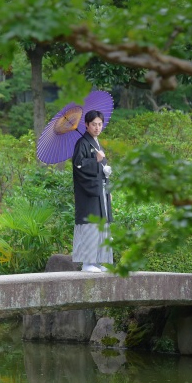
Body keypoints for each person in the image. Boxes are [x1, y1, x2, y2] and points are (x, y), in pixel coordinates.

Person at [71, 110, 114, 273]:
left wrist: (106, 174)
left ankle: (98, 261)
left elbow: (101, 167)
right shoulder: (82, 143)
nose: (97, 128)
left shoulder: (96, 143)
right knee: (91, 224)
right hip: (89, 193)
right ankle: (87, 263)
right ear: (86, 125)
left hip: (100, 190)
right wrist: (95, 161)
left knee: (102, 224)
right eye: (94, 124)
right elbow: (78, 166)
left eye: (100, 124)